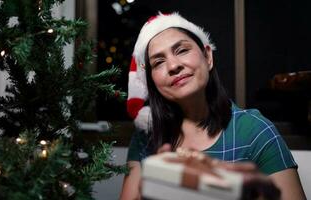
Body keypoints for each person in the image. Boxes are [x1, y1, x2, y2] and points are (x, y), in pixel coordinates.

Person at [121, 12, 306, 200]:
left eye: (182, 50)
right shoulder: (146, 135)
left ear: (207, 56)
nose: (173, 65)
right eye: (159, 62)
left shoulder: (254, 130)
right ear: (152, 80)